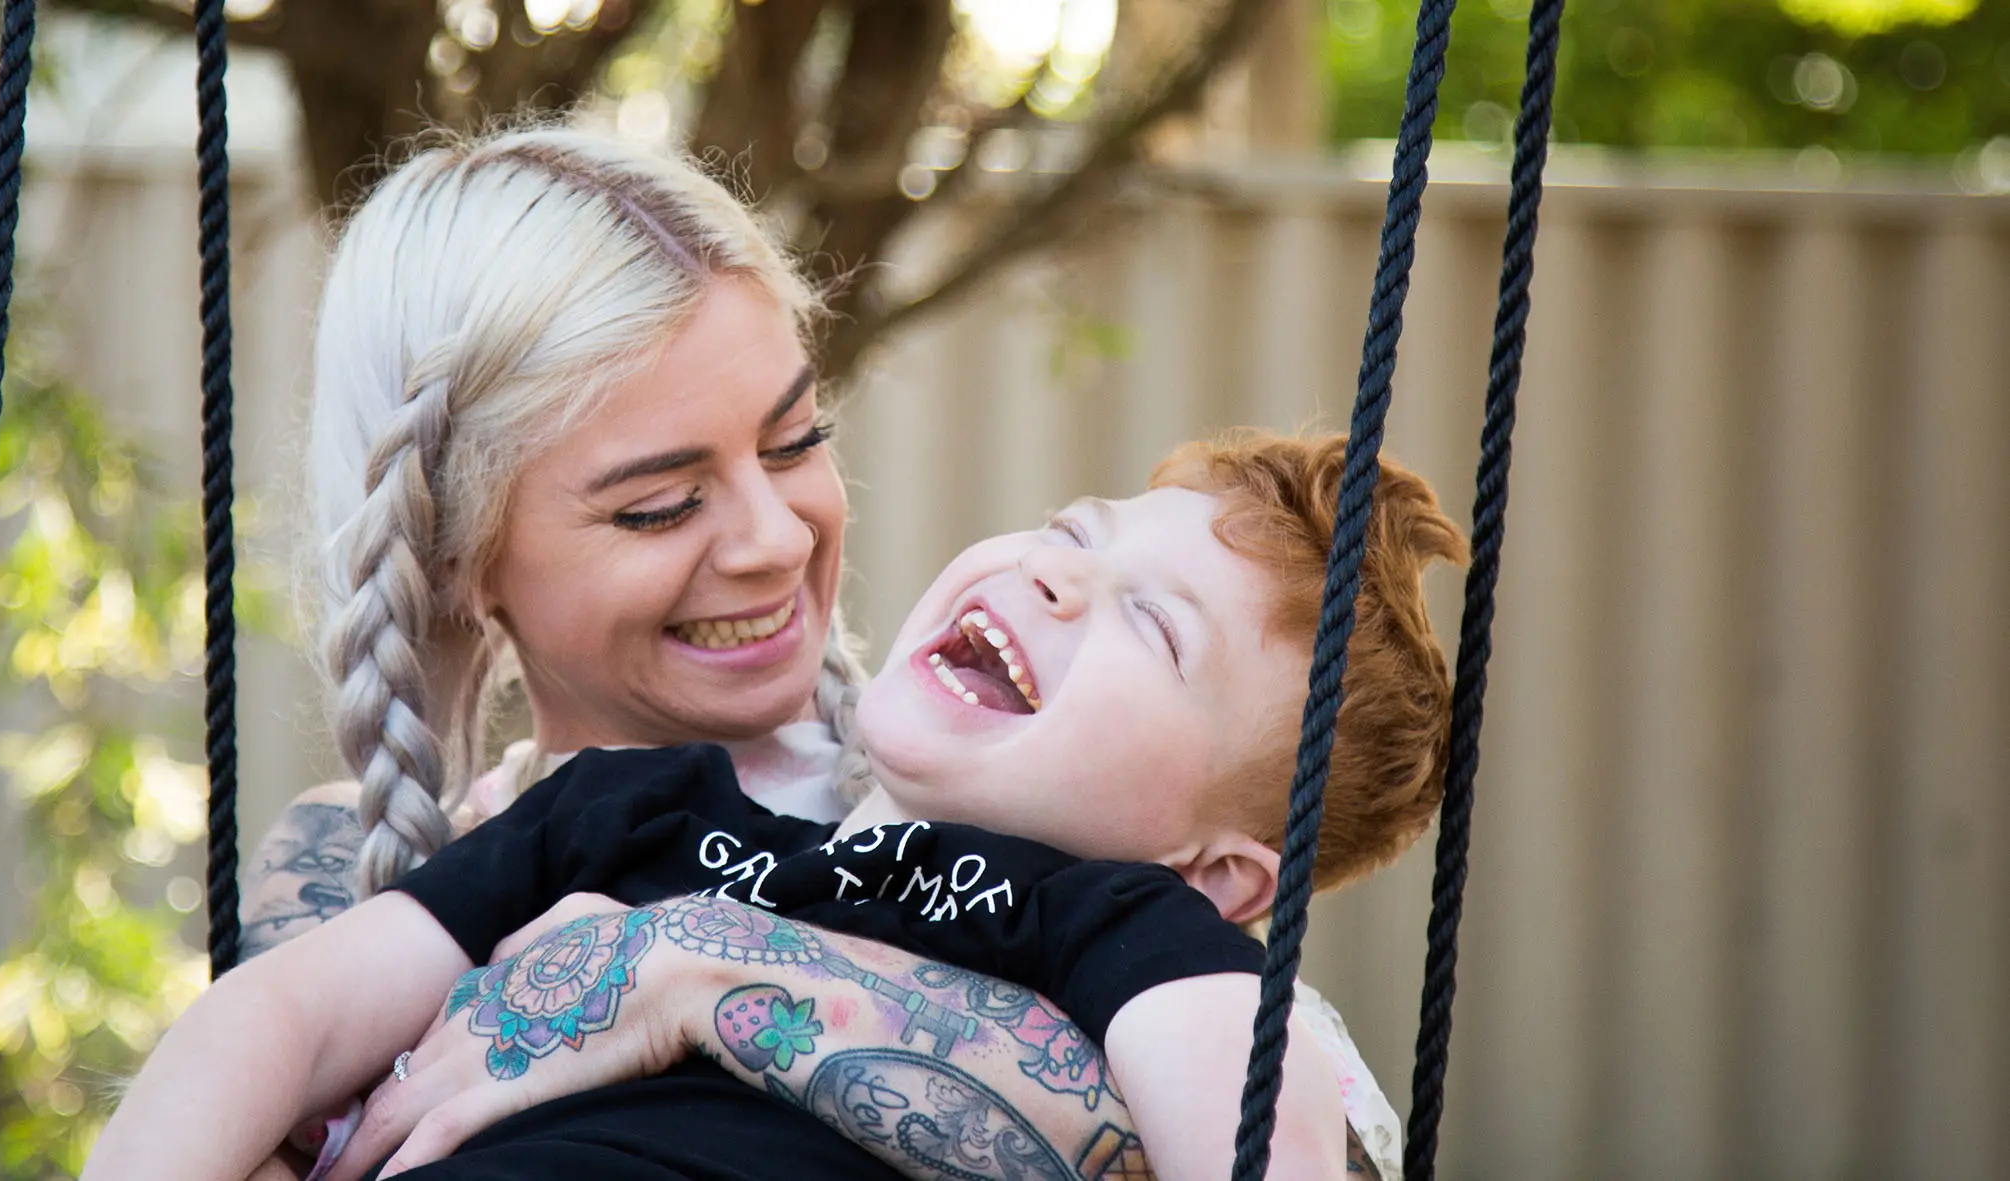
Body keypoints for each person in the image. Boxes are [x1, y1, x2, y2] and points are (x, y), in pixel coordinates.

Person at [241, 125, 1405, 1178]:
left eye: (797, 439)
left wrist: (699, 962)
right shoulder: (349, 861)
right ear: (457, 553)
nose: (775, 535)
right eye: (657, 503)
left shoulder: (1026, 842)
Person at [91, 432, 1465, 1181]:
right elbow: (278, 1015)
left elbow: (1248, 1120)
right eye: (1070, 535)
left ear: (1213, 873)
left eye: (1152, 628)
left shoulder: (1111, 924)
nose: (1054, 582)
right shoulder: (636, 809)